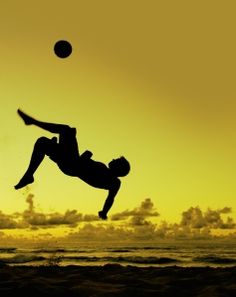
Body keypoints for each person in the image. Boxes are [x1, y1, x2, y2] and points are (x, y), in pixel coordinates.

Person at [14, 109, 130, 220]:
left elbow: (109, 197)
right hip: (70, 164)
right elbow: (110, 198)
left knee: (66, 130)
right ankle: (29, 175)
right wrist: (104, 212)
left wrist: (86, 156)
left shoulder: (112, 180)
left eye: (117, 161)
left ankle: (34, 123)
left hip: (72, 165)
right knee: (43, 142)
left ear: (119, 168)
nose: (114, 159)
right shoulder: (109, 176)